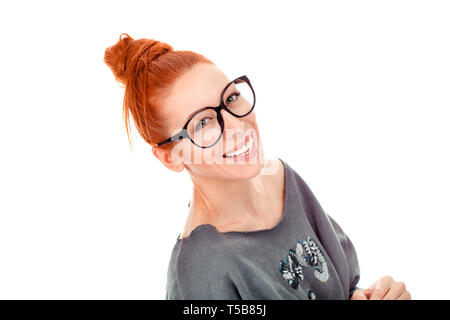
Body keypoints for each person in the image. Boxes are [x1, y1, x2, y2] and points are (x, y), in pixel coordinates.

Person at [103, 33, 411, 300]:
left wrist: (371, 294)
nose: (238, 125)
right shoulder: (201, 272)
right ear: (171, 157)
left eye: (232, 97)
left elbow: (344, 286)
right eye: (204, 122)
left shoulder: (284, 178)